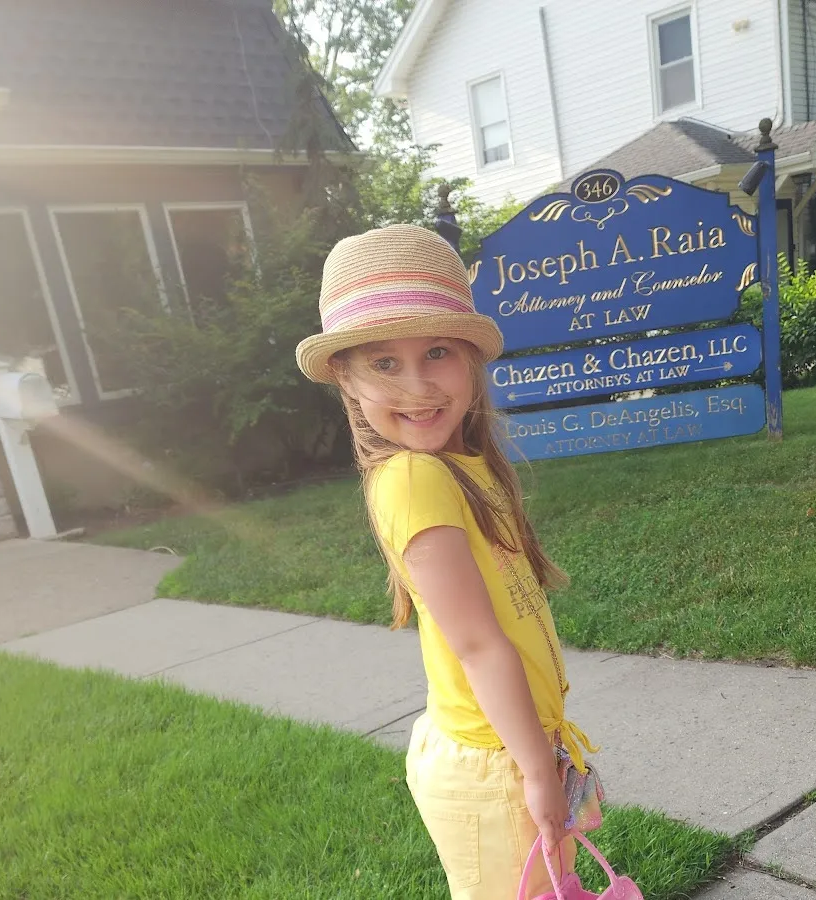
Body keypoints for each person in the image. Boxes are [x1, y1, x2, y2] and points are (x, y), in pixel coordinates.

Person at [295, 224, 599, 899]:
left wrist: (541, 753)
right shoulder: (413, 478)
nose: (418, 385)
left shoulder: (460, 466)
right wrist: (536, 772)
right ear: (346, 377)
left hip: (514, 743)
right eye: (384, 363)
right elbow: (479, 645)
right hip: (494, 763)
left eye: (436, 352)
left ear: (469, 359)